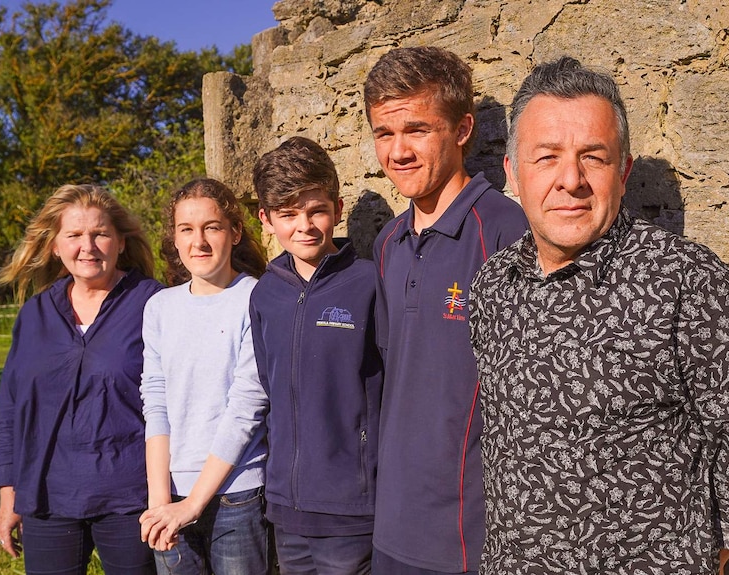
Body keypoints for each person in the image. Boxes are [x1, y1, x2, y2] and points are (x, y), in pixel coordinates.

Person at [468, 56, 729, 575]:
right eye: (546, 157)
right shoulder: (494, 286)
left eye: (592, 157)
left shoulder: (685, 281)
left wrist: (707, 556)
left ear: (622, 171)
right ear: (512, 172)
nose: (570, 180)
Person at [364, 46, 529, 574]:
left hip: (470, 535)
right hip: (390, 523)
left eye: (416, 129)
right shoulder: (387, 242)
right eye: (384, 134)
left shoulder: (507, 232)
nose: (398, 151)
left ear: (462, 130)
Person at [0, 184, 162, 575]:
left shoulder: (154, 303)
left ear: (120, 241)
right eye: (74, 235)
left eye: (100, 233)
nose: (88, 246)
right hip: (48, 494)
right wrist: (8, 494)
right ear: (54, 245)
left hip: (133, 496)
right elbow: (13, 409)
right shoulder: (35, 314)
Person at [250, 136, 383, 574]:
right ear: (266, 219)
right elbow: (269, 388)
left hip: (352, 507)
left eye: (316, 210)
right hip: (286, 508)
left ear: (338, 209)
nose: (304, 225)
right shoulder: (265, 294)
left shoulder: (368, 284)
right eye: (288, 214)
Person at [138, 178, 269, 574]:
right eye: (186, 229)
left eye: (212, 227)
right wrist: (161, 502)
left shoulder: (256, 298)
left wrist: (192, 505)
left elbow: (247, 408)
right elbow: (155, 401)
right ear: (174, 240)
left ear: (235, 232)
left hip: (237, 494)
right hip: (171, 494)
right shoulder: (159, 307)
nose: (200, 241)